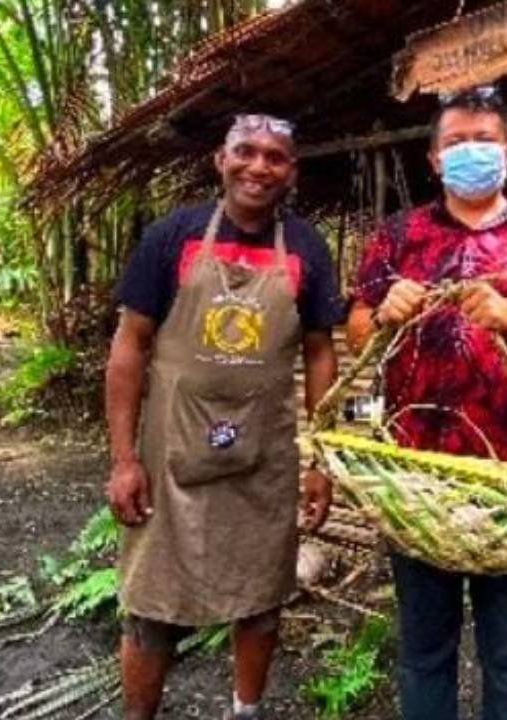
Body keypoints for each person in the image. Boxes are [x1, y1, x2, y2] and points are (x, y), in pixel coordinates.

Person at [347, 87, 507, 720]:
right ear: (434, 160)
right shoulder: (399, 236)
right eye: (457, 142)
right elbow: (357, 326)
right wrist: (383, 314)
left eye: (485, 140)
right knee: (423, 653)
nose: (472, 152)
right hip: (416, 479)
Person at [104, 114, 343, 720]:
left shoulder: (307, 248)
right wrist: (125, 460)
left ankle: (246, 711)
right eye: (246, 152)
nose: (259, 167)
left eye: (275, 157)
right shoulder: (173, 237)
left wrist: (323, 458)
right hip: (171, 455)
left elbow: (320, 352)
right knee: (151, 607)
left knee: (260, 600)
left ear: (291, 171)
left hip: (263, 458)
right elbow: (130, 345)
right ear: (221, 159)